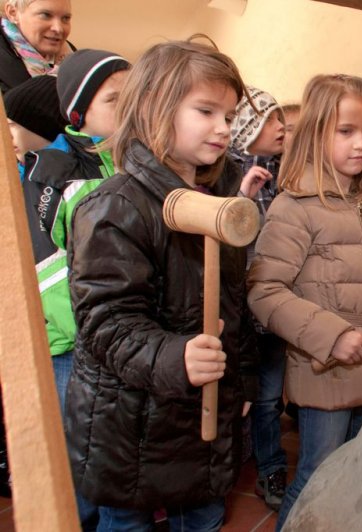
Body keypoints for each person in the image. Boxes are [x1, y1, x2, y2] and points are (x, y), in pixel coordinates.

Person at [65, 39, 258, 530]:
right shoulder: (115, 207)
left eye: (230, 116)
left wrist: (241, 382)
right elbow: (106, 322)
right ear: (154, 106)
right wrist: (175, 356)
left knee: (205, 516)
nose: (223, 128)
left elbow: (234, 309)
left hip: (203, 423)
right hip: (131, 426)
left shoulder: (218, 201)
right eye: (206, 110)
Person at [247, 74, 362, 531]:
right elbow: (264, 290)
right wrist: (332, 338)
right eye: (346, 131)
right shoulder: (296, 207)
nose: (361, 145)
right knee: (319, 474)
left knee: (358, 472)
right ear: (316, 132)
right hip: (326, 369)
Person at [22, 48, 130, 412]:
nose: (129, 107)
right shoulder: (52, 172)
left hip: (128, 339)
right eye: (115, 99)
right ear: (78, 112)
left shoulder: (138, 164)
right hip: (76, 345)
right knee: (78, 442)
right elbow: (46, 265)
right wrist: (93, 336)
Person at [228, 85, 289, 511]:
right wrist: (242, 199)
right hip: (238, 310)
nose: (281, 125)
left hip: (277, 304)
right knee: (243, 395)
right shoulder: (223, 176)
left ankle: (270, 467)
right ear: (245, 127)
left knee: (270, 395)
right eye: (269, 119)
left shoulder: (288, 172)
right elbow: (220, 239)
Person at [1, 0, 73, 93]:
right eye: (45, 15)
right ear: (13, 13)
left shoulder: (70, 55)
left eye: (65, 18)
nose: (58, 28)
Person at [3, 73, 66, 178]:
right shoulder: (17, 179)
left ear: (45, 125)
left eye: (11, 125)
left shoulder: (82, 172)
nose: (7, 135)